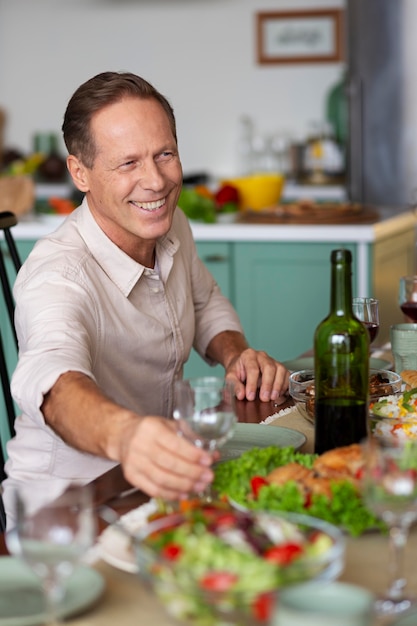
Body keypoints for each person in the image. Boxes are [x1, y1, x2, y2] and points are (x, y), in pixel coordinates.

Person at [2, 71, 289, 526]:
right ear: (80, 172)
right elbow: (53, 381)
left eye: (165, 154)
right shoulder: (57, 274)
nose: (155, 181)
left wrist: (237, 356)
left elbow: (203, 300)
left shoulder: (171, 225)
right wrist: (126, 435)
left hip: (155, 483)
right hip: (68, 511)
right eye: (128, 163)